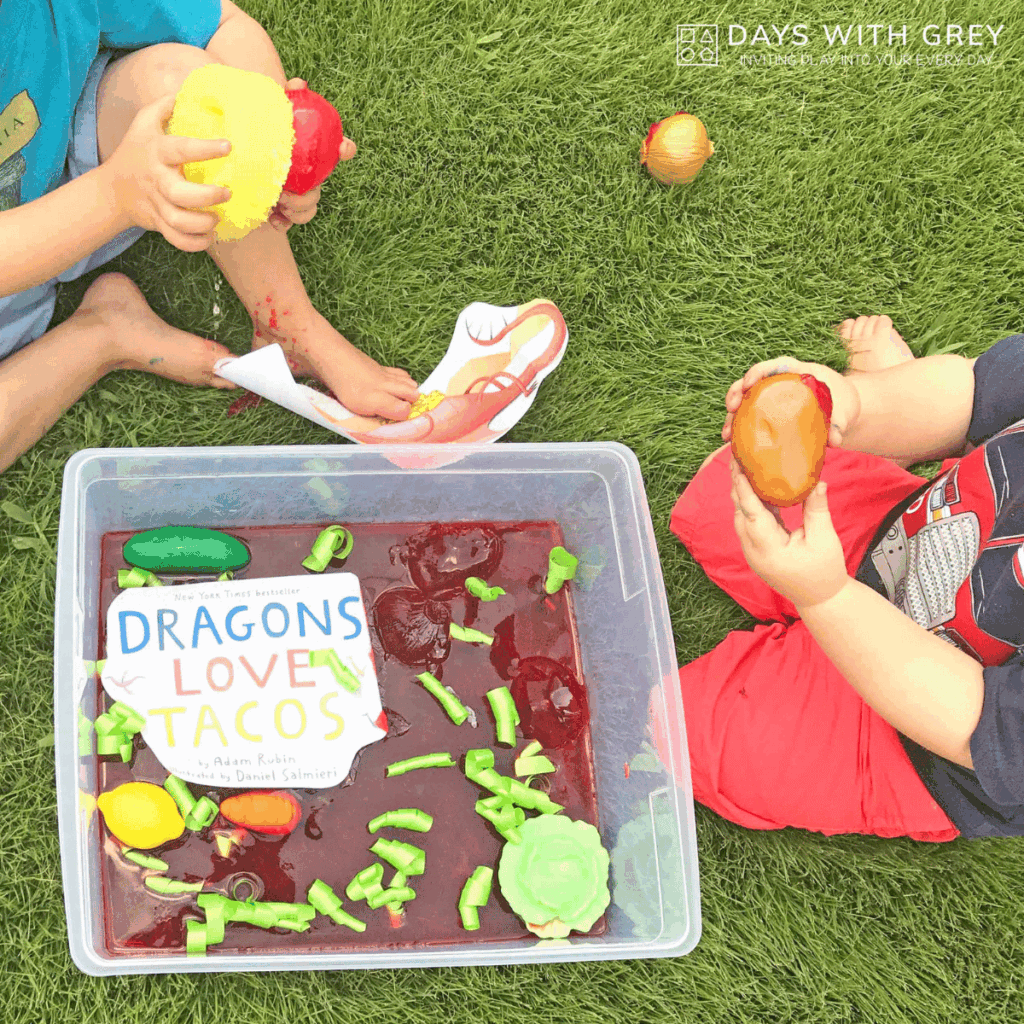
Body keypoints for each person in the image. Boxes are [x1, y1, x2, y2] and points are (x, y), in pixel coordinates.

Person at [0, 0, 419, 473]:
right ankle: (102, 336)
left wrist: (272, 141)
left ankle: (289, 326)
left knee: (181, 85)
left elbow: (221, 24)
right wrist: (114, 196)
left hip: (67, 166)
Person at [672, 313, 1024, 841]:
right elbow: (973, 394)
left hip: (916, 730)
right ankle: (900, 433)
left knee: (684, 731)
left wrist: (826, 597)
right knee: (714, 497)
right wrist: (856, 406)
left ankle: (893, 454)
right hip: (902, 535)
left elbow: (974, 722)